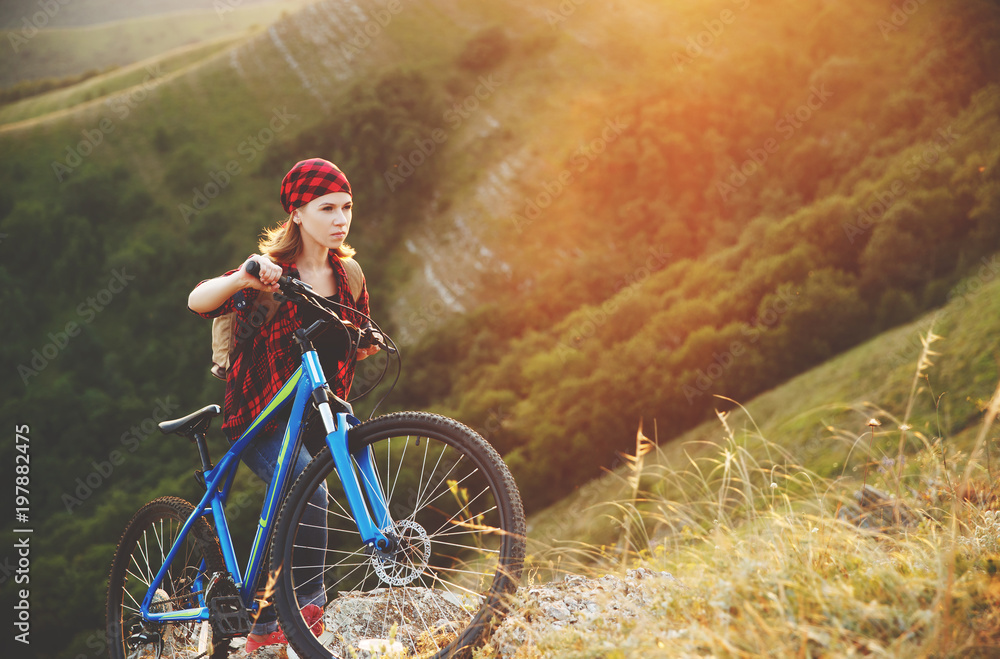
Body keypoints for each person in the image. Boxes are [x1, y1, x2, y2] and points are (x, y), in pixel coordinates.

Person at [188, 158, 378, 653]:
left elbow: (356, 341)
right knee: (305, 490)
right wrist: (243, 278)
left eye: (347, 207)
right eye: (327, 208)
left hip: (318, 407)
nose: (341, 219)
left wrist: (363, 338)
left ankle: (388, 545)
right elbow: (198, 299)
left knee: (360, 450)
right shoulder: (270, 272)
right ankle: (296, 614)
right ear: (297, 212)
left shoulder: (349, 274)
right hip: (262, 416)